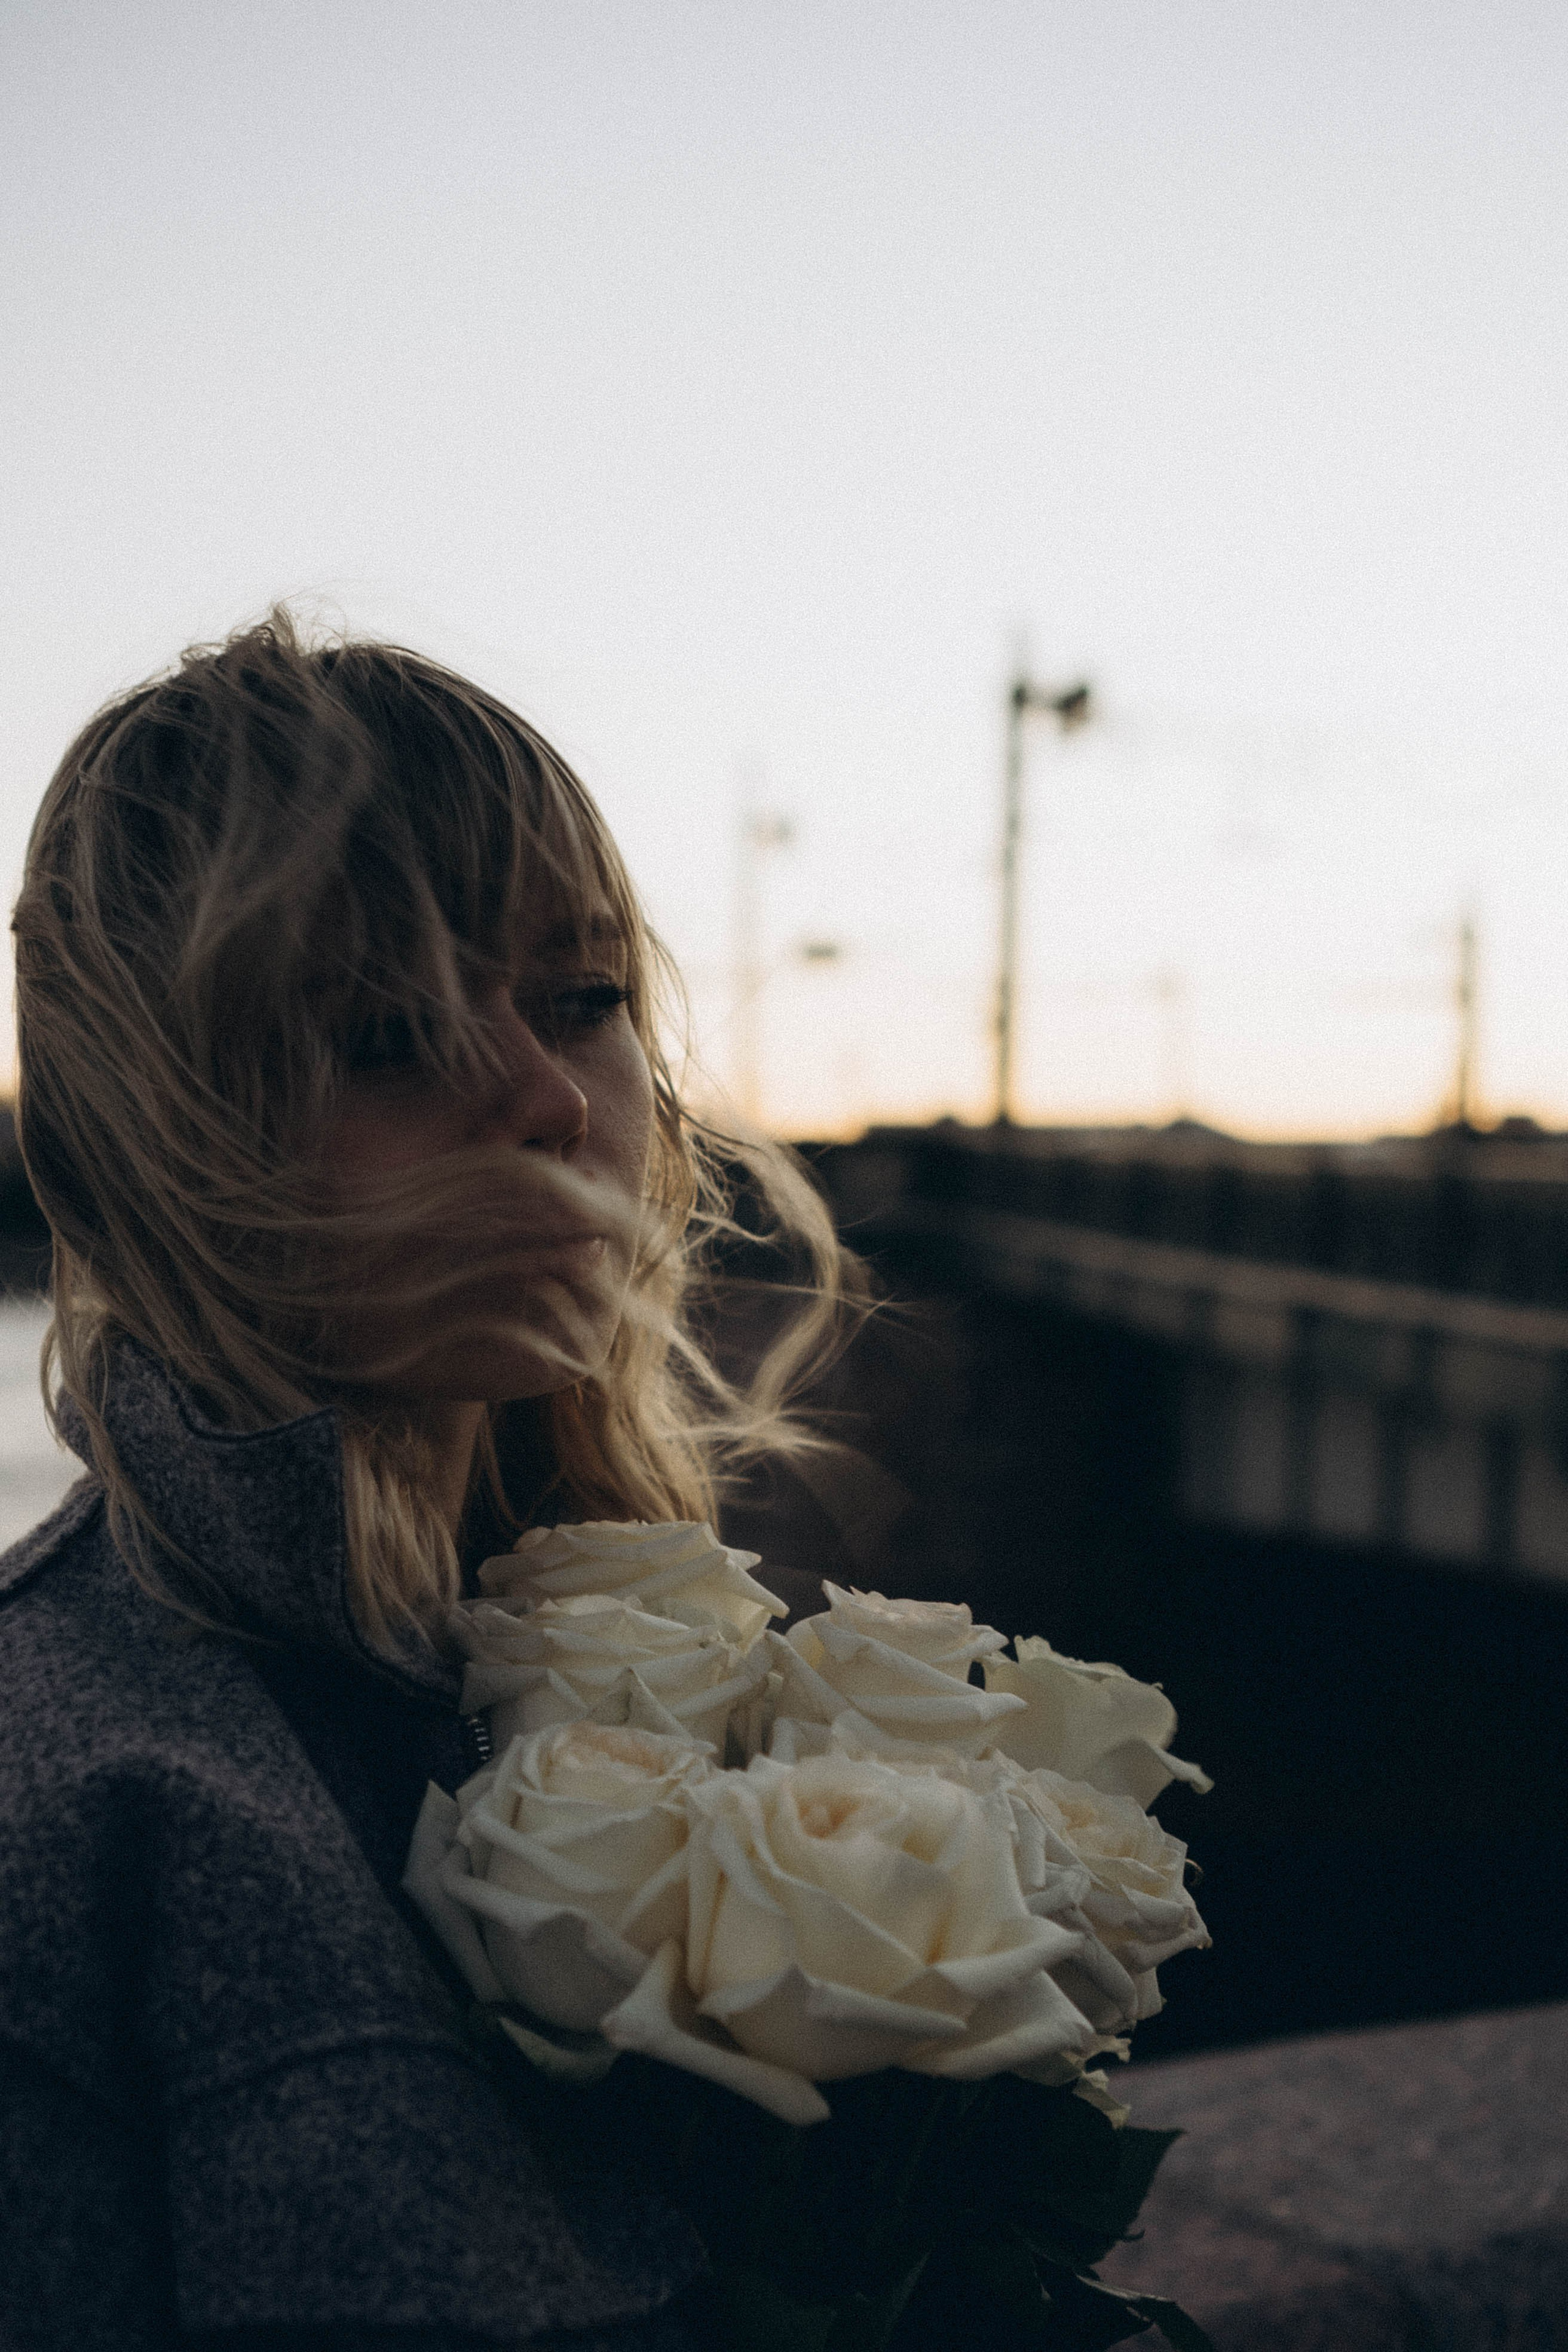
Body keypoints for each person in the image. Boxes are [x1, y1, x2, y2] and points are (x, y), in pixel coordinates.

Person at [0, 612, 859, 2351]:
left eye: (586, 999)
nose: (547, 1099)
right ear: (157, 1135)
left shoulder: (663, 1659)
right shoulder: (63, 1793)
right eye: (387, 1032)